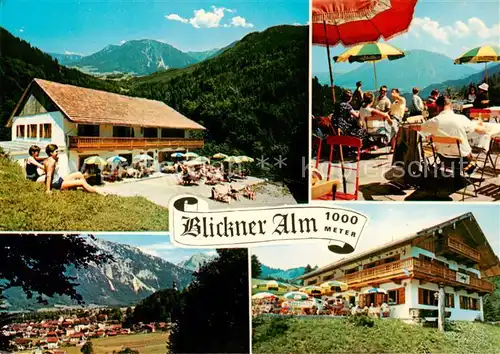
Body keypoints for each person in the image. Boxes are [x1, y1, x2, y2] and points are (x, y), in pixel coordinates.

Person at [420, 96, 487, 175]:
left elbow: (420, 129)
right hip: (463, 160)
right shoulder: (461, 118)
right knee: (467, 143)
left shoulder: (434, 121)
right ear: (450, 105)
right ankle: (470, 169)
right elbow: (480, 131)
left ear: (437, 107)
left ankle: (457, 172)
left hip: (444, 159)